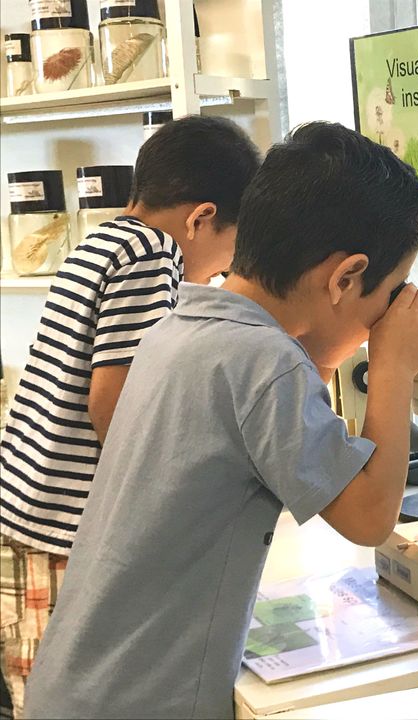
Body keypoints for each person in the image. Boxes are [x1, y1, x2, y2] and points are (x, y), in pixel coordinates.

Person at [21, 122, 418, 719]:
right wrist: (393, 367)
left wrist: (354, 341)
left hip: (80, 685)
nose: (389, 314)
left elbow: (291, 387)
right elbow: (369, 516)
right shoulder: (262, 363)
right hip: (145, 701)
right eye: (391, 293)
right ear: (346, 277)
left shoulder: (187, 324)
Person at [0, 115, 261, 717]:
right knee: (57, 700)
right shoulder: (151, 255)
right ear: (200, 219)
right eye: (231, 246)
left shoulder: (100, 240)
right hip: (56, 532)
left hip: (26, 515)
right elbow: (116, 402)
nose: (225, 267)